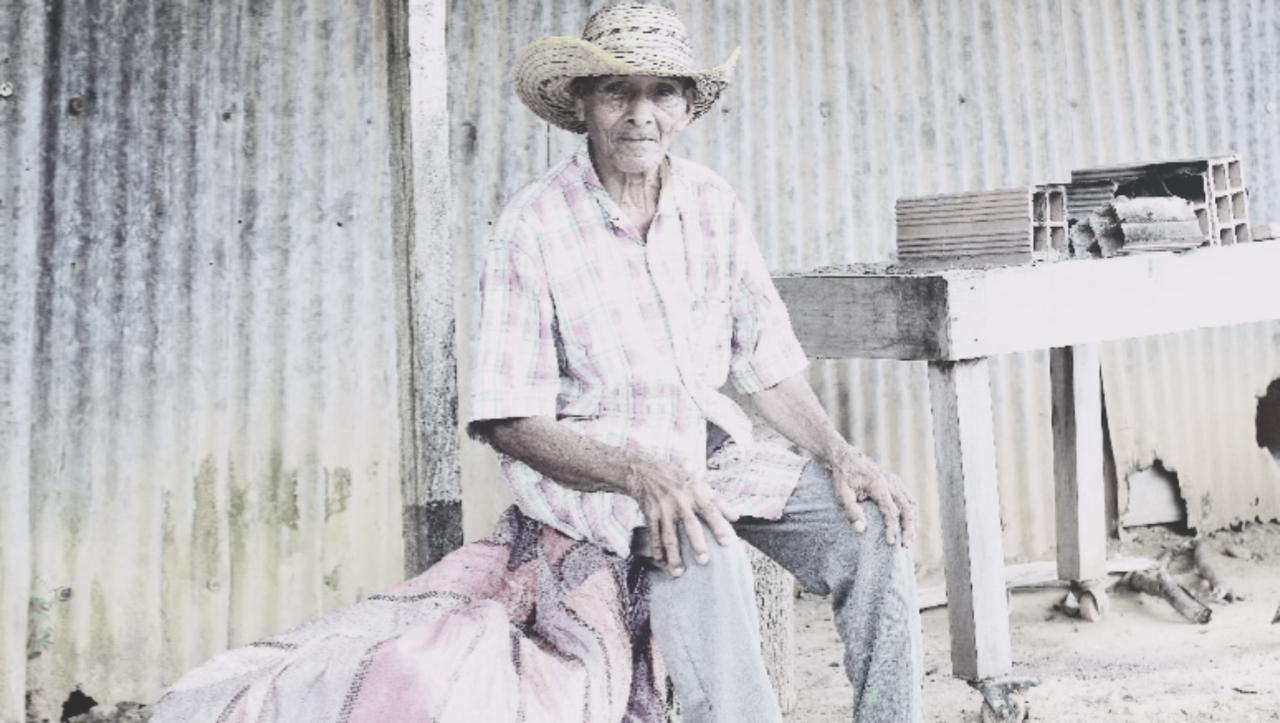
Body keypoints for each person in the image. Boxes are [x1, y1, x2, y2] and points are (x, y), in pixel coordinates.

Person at [469, 2, 924, 720]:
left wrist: (841, 453)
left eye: (661, 93)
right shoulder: (532, 226)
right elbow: (509, 421)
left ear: (685, 107)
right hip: (605, 478)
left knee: (873, 521)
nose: (639, 114)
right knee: (709, 554)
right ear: (583, 102)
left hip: (710, 462)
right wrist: (639, 473)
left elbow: (766, 363)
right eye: (617, 91)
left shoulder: (713, 204)